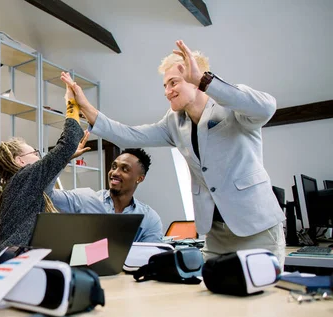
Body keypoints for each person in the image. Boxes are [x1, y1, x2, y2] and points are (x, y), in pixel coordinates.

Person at [62, 40, 285, 265]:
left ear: (195, 79)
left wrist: (206, 81)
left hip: (256, 227)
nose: (168, 92)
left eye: (173, 83)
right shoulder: (174, 122)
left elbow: (266, 107)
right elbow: (129, 135)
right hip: (216, 234)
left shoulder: (232, 106)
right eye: (165, 86)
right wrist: (84, 106)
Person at [0, 82, 88, 261]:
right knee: (98, 254)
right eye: (35, 153)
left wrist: (65, 157)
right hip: (12, 264)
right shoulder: (24, 178)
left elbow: (56, 162)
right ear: (20, 161)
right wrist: (72, 104)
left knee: (98, 253)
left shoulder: (20, 185)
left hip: (21, 260)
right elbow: (69, 141)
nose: (39, 158)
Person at [49, 148, 163, 243]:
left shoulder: (149, 218)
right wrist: (63, 158)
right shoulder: (85, 199)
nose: (115, 173)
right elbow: (46, 194)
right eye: (114, 167)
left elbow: (151, 257)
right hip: (83, 268)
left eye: (124, 169)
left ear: (140, 178)